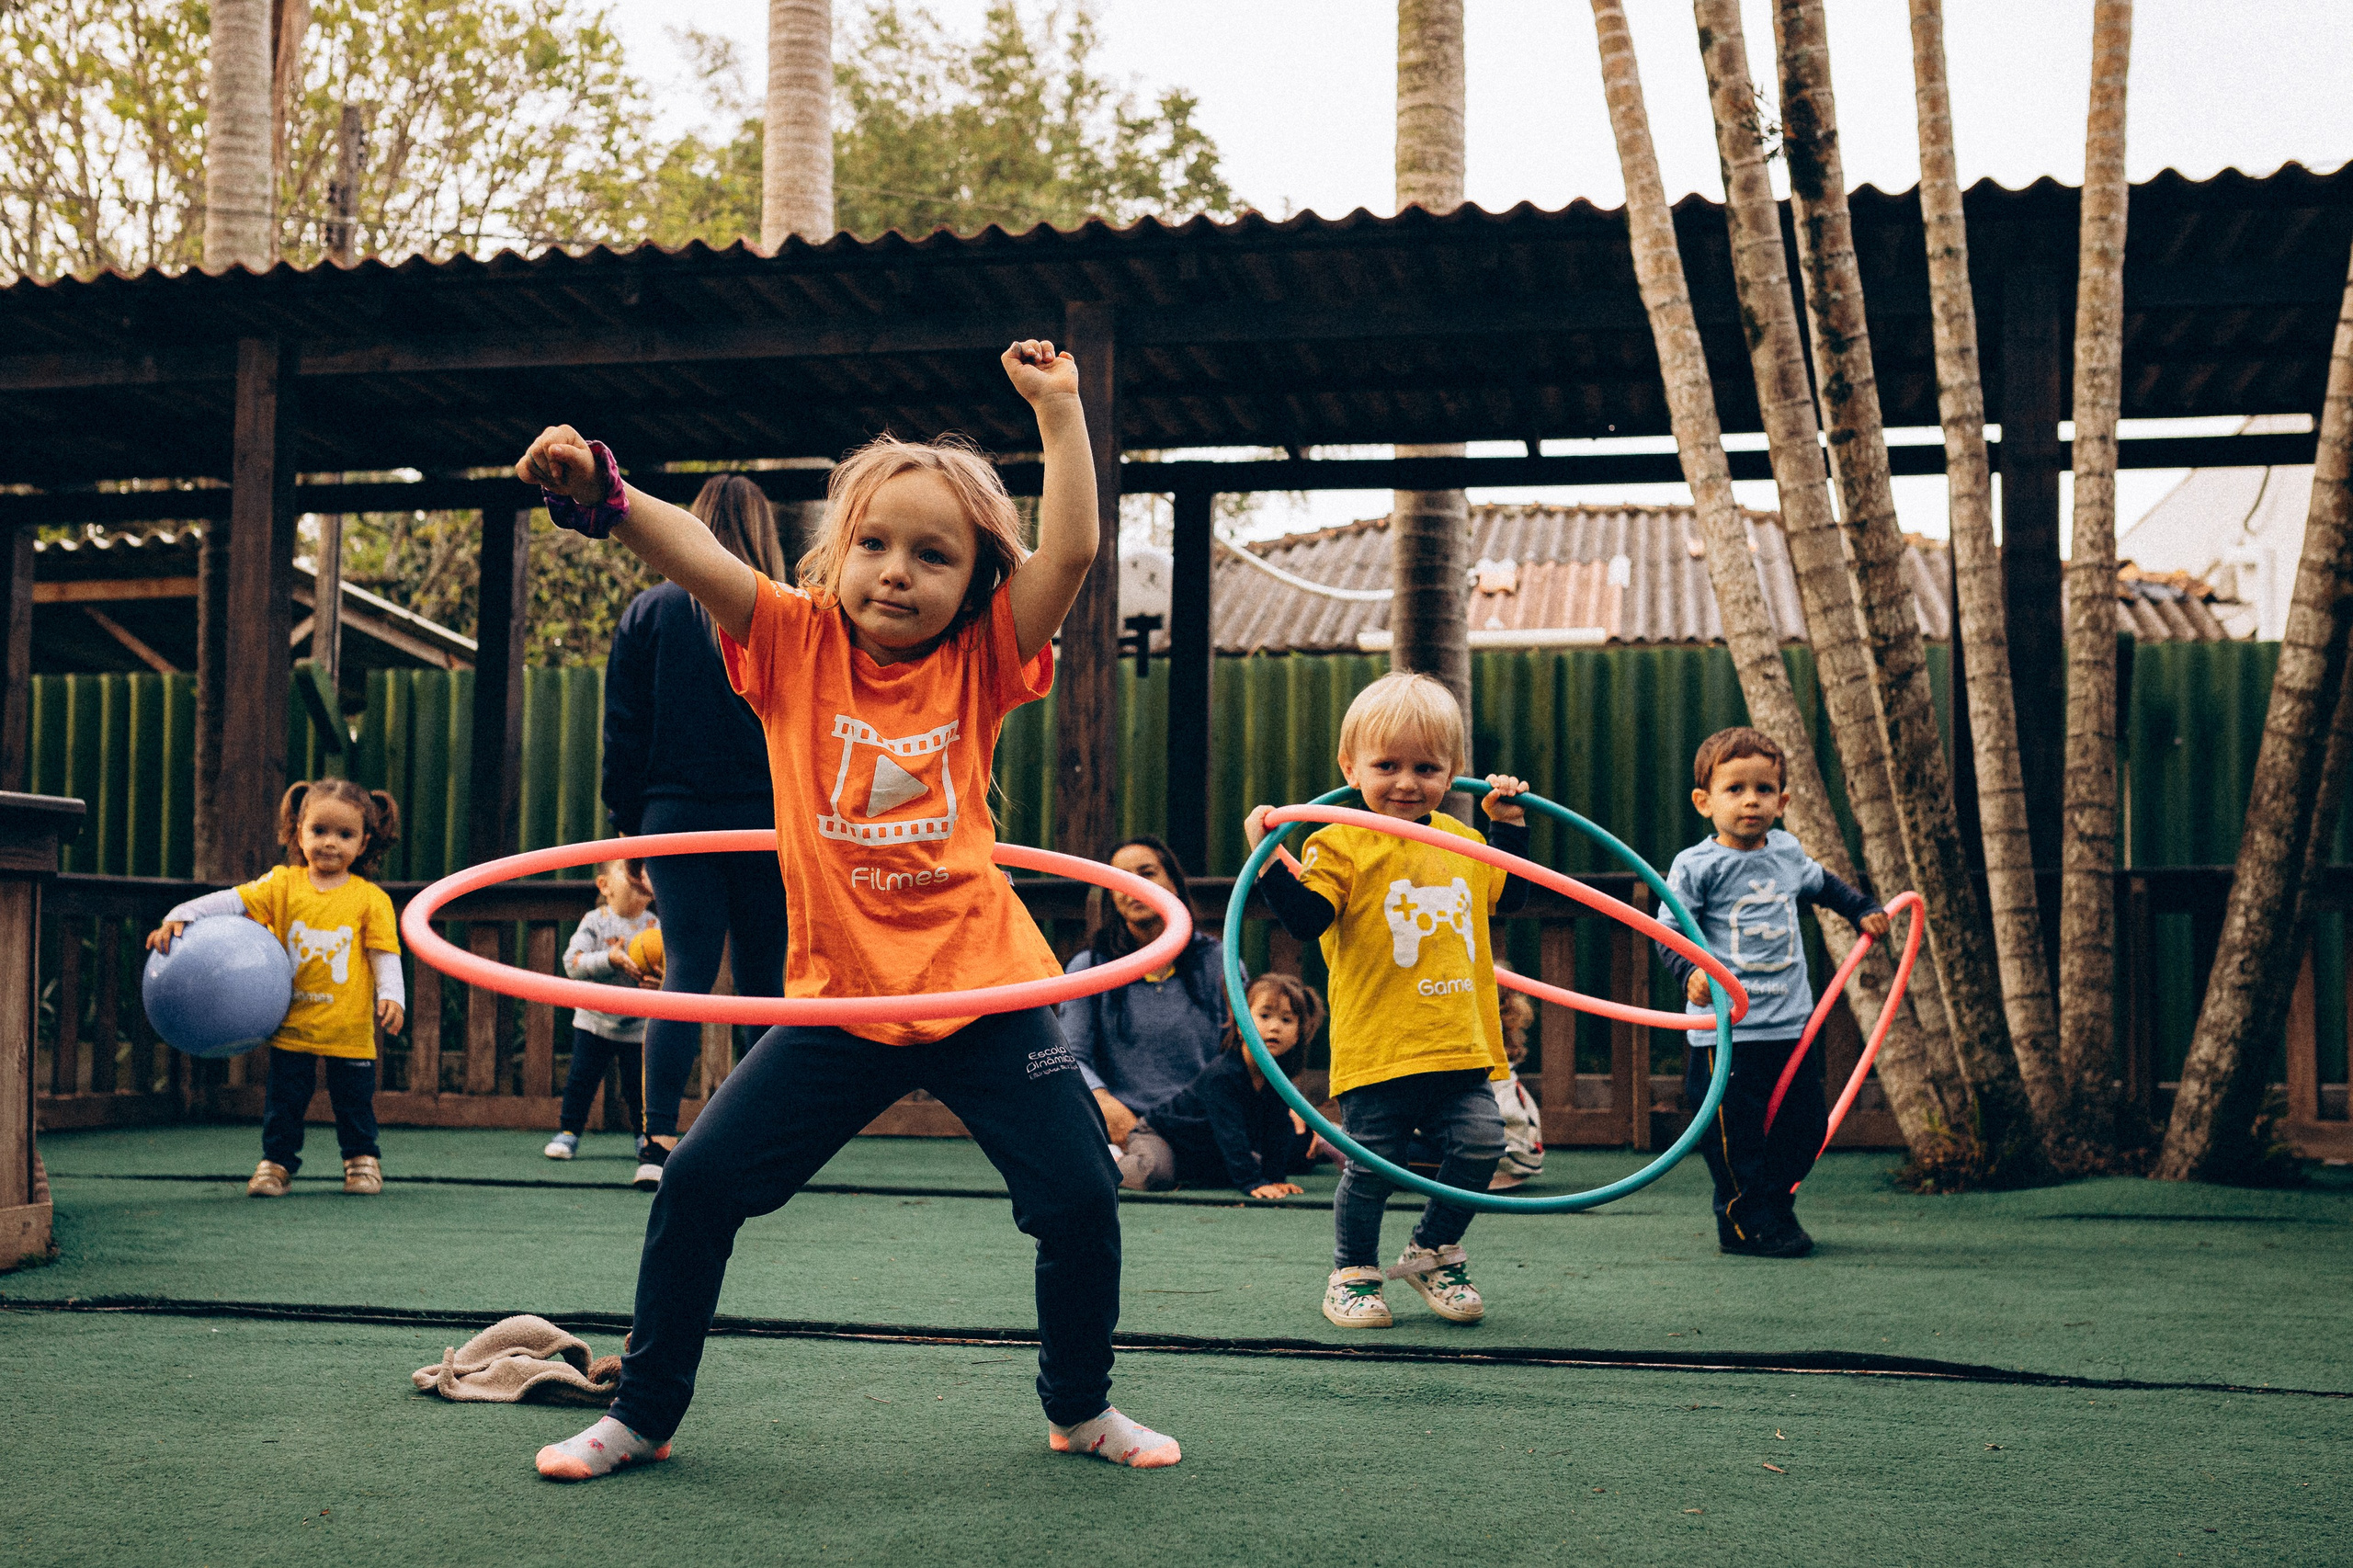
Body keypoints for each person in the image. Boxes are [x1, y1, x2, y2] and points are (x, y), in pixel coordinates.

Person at [513, 339, 1180, 1482]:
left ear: (974, 579)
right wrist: (607, 495)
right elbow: (698, 552)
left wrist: (1061, 410)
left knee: (1078, 1190)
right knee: (697, 1184)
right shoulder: (788, 640)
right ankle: (644, 1409)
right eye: (872, 543)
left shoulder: (985, 654)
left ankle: (1078, 1405)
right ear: (836, 552)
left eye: (933, 553)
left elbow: (1069, 545)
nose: (895, 571)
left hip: (984, 988)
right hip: (842, 1002)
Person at [1245, 671, 1531, 1330]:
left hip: (1459, 1039)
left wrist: (1508, 824)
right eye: (1387, 765)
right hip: (1381, 1043)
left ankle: (1433, 1250)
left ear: (1454, 771)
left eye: (1427, 767)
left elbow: (1512, 898)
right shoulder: (1339, 840)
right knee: (1377, 1163)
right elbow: (1307, 918)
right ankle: (1352, 1274)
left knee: (1483, 1143)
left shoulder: (1464, 844)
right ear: (1350, 767)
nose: (1407, 782)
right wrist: (1268, 856)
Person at [603, 472, 792, 1190]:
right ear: (767, 535)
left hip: (674, 811)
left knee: (685, 969)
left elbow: (623, 729)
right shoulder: (786, 613)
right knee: (761, 977)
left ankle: (657, 1143)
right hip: (768, 816)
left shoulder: (650, 612)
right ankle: (763, 1143)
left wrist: (628, 829)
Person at [1655, 725, 1891, 1259]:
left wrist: (1861, 908)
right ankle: (1743, 1226)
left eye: (1764, 790)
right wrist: (1688, 973)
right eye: (1734, 789)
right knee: (1736, 1142)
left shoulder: (1786, 853)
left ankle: (1774, 1208)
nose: (1750, 801)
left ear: (1782, 802)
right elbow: (1668, 929)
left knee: (1804, 1129)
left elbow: (1822, 883)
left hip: (1789, 1026)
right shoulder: (1697, 866)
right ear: (1704, 801)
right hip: (1726, 1035)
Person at [146, 780, 405, 1198]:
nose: (330, 844)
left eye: (345, 835)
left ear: (364, 842)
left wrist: (392, 995)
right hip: (292, 1027)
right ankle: (276, 1165)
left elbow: (383, 955)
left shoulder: (370, 899)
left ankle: (362, 1162)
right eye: (319, 831)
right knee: (284, 1104)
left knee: (354, 1104)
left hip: (349, 1029)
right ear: (298, 830)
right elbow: (231, 901)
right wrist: (183, 913)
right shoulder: (282, 885)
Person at [1060, 835, 1229, 1148]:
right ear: (1110, 895)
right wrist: (1107, 1106)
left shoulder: (1215, 959)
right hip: (1127, 1122)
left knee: (1292, 1148)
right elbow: (1071, 1058)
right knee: (1155, 1169)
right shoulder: (1089, 967)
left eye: (1147, 873)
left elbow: (1241, 1051)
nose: (1133, 886)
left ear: (1174, 884)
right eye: (1120, 879)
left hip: (1205, 1121)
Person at [1118, 972, 1326, 1199]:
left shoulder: (1278, 1077)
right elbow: (1231, 1132)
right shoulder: (1223, 1075)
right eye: (1265, 1016)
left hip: (1206, 1148)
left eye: (1286, 1020)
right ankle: (1112, 1162)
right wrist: (1252, 1182)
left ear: (1298, 1034)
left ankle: (1189, 1170)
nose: (1275, 1027)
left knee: (1252, 1159)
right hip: (1163, 1136)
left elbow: (1277, 1128)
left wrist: (1275, 1178)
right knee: (1155, 1174)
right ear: (1240, 1025)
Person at [543, 859, 659, 1165]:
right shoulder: (596, 922)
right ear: (604, 886)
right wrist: (609, 959)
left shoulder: (655, 927)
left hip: (638, 1024)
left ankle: (644, 1137)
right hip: (594, 1021)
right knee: (581, 1080)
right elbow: (573, 962)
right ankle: (569, 1131)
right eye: (629, 870)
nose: (639, 876)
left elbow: (670, 971)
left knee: (639, 1087)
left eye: (645, 871)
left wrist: (658, 983)